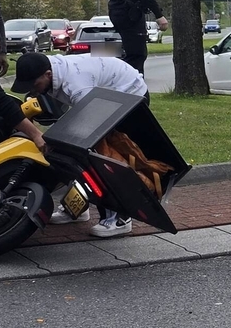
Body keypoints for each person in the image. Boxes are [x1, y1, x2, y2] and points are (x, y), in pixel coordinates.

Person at [11, 52, 149, 238]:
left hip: (130, 95)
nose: (33, 91)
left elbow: (90, 124)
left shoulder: (76, 85)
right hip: (104, 96)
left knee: (98, 156)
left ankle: (120, 219)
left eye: (34, 85)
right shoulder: (53, 72)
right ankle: (76, 208)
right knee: (70, 153)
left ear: (48, 74)